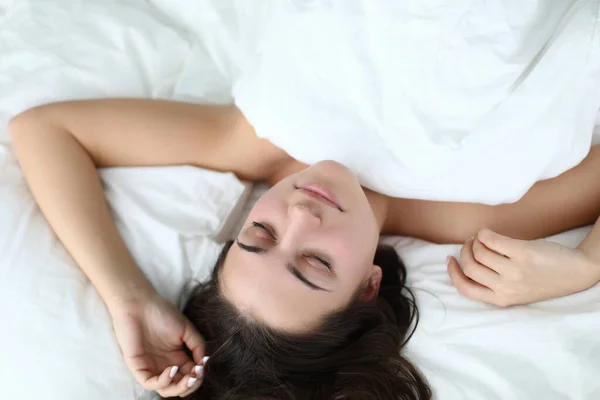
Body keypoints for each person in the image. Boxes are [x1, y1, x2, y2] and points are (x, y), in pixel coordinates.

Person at [8, 99, 600, 399]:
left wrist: (128, 296)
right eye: (315, 263)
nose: (299, 213)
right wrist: (585, 264)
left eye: (258, 237)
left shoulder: (263, 144)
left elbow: (42, 130)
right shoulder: (473, 205)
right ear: (369, 284)